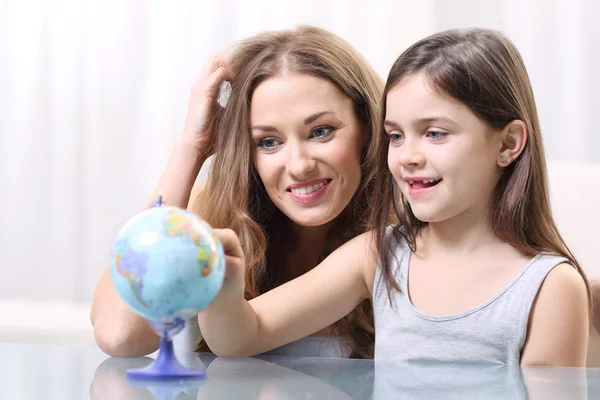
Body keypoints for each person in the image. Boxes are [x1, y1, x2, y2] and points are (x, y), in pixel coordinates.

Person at [198, 28, 591, 366]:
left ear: (508, 143)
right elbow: (241, 337)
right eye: (396, 136)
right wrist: (223, 291)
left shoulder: (550, 288)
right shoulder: (377, 254)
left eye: (435, 133)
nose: (409, 156)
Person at [90, 25, 385, 359]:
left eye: (321, 132)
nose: (300, 165)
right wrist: (192, 147)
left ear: (367, 128)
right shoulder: (209, 217)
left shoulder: (398, 241)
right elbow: (120, 336)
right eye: (269, 142)